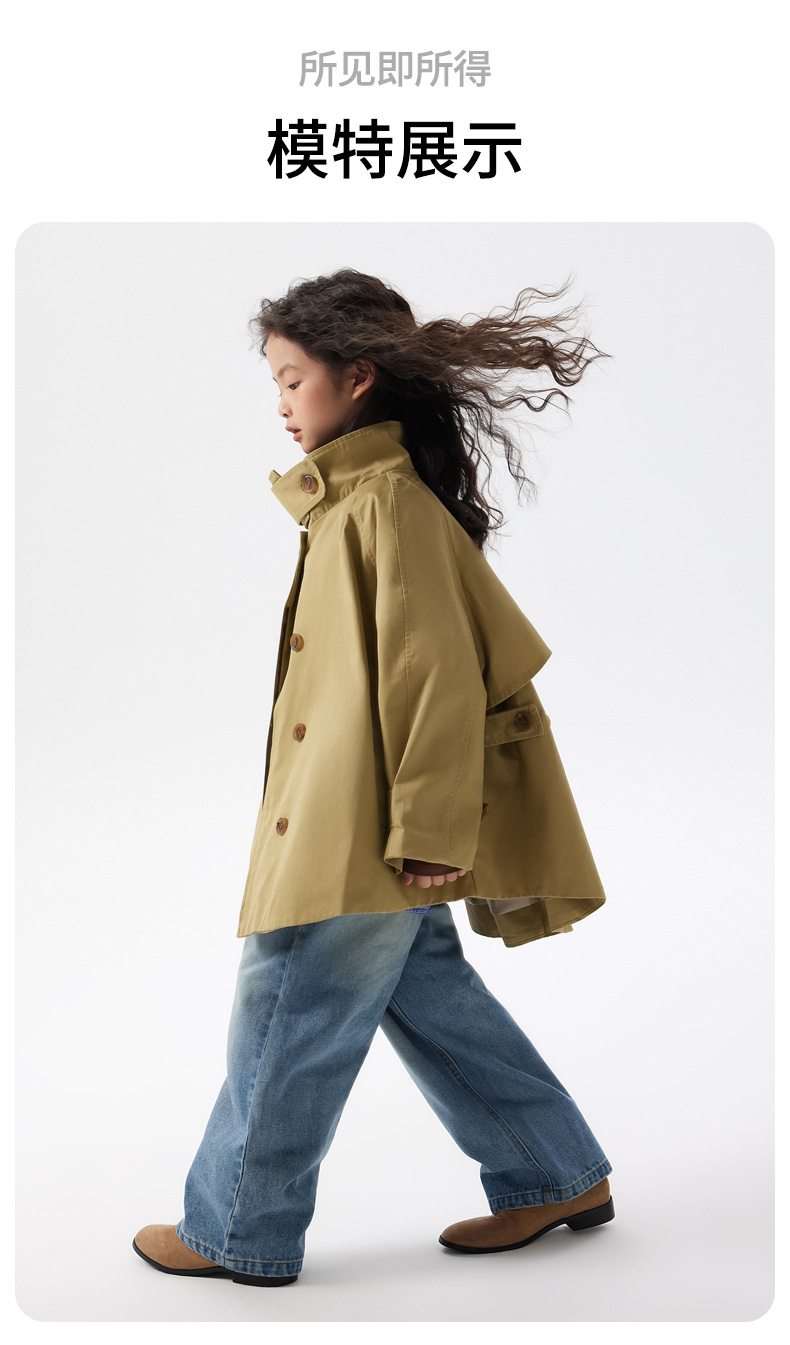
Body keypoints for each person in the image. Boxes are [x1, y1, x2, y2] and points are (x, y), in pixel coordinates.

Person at [133, 269, 615, 1288]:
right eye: (274, 382)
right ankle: (552, 1171)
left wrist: (431, 828)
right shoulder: (354, 500)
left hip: (368, 824)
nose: (280, 404)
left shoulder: (382, 504)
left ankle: (237, 1227)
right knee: (427, 994)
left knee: (289, 999)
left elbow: (432, 679)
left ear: (356, 379)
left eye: (291, 379)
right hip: (367, 812)